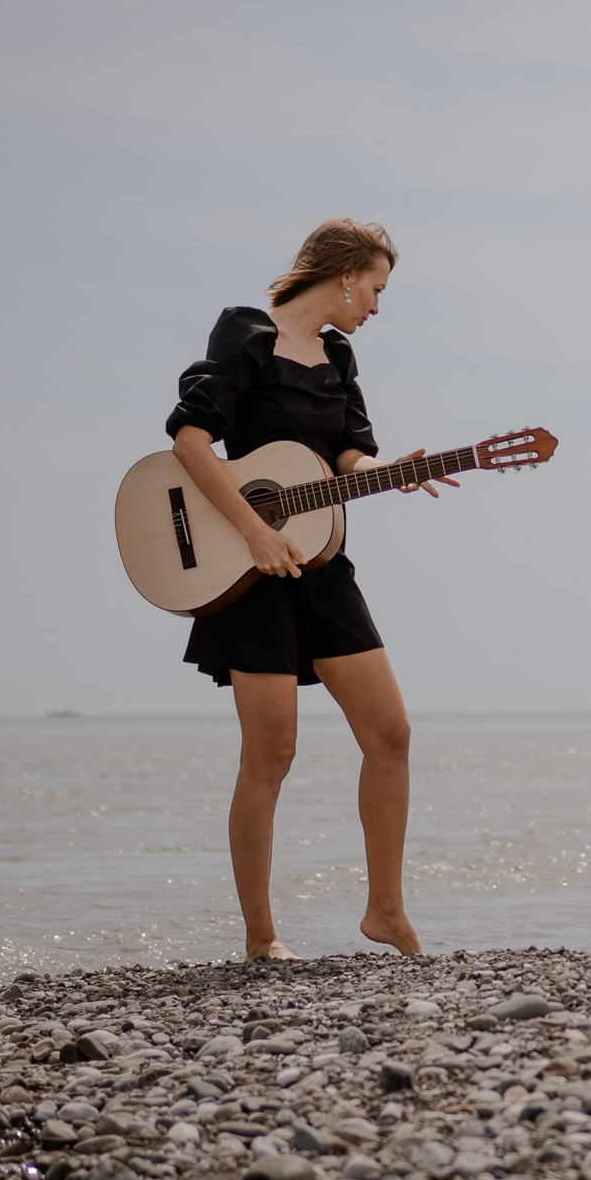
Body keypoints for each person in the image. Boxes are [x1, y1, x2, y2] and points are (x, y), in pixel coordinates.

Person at [164, 218, 450, 960]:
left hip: (325, 564)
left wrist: (396, 472)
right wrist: (254, 533)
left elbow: (346, 457)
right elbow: (191, 442)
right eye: (377, 289)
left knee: (391, 733)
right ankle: (261, 937)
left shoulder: (339, 356)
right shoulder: (246, 333)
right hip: (249, 570)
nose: (377, 308)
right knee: (272, 754)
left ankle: (384, 911)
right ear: (347, 272)